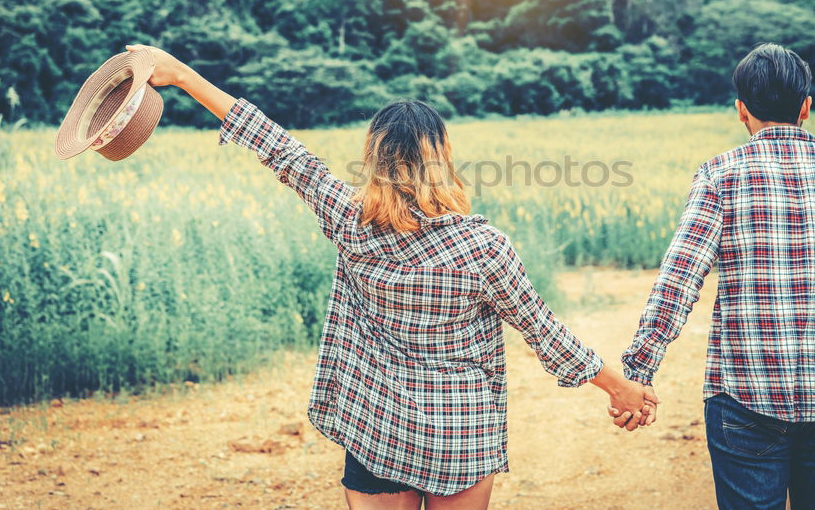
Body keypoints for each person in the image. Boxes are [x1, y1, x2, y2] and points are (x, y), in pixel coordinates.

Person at [125, 44, 658, 510]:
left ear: (373, 157)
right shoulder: (483, 246)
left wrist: (183, 76)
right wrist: (622, 389)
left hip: (377, 429)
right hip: (459, 434)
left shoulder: (348, 220)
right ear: (442, 158)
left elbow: (280, 148)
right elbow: (544, 332)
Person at [618, 43, 815, 509]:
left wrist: (637, 372)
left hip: (743, 399)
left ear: (741, 110)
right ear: (806, 107)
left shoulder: (720, 176)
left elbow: (678, 282)